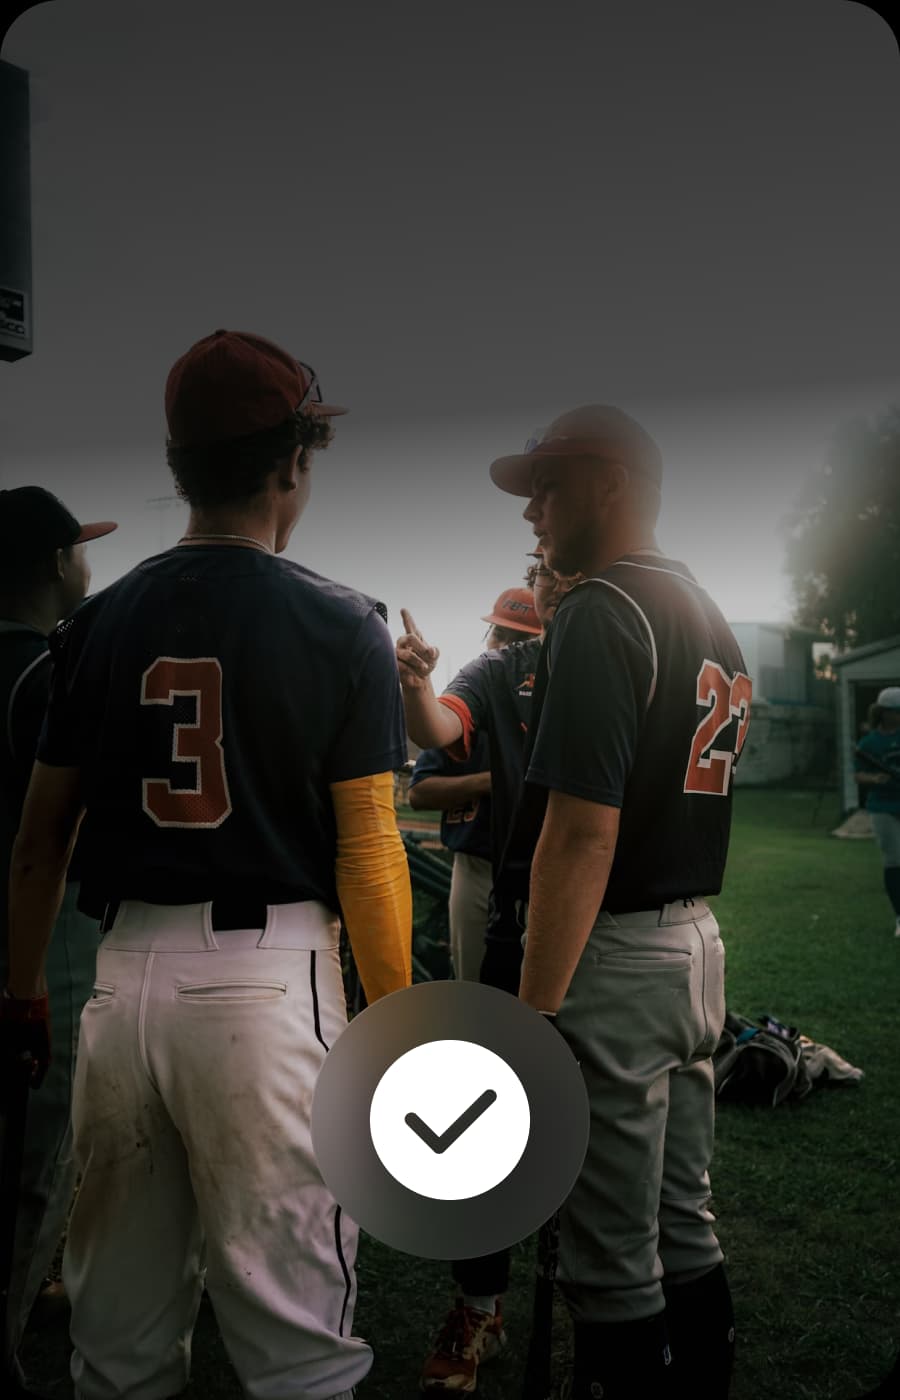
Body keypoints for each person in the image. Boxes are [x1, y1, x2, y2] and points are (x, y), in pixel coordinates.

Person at [2, 329, 413, 1400]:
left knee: (119, 1348)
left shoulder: (94, 622)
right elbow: (371, 850)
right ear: (292, 463)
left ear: (179, 466)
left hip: (122, 978)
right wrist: (403, 1016)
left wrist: (21, 988)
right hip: (268, 982)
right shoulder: (341, 620)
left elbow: (41, 837)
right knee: (300, 1350)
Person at [401, 404, 752, 1398]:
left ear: (610, 484)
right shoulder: (705, 605)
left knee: (608, 1260)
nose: (534, 514)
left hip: (614, 953)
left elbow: (581, 830)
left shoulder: (602, 606)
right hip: (695, 942)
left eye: (549, 487)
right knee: (686, 1216)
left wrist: (538, 1013)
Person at [397, 553, 580, 1394]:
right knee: (491, 1078)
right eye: (503, 626)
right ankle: (482, 1299)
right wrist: (418, 691)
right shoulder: (498, 671)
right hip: (493, 876)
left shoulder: (622, 638)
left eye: (518, 627)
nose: (508, 635)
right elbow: (431, 742)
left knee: (584, 1088)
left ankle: (616, 1291)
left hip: (600, 888)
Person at [0, 487, 116, 1398]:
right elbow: (70, 832)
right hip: (42, 936)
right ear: (49, 563)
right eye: (79, 550)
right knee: (33, 1161)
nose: (88, 564)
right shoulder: (45, 673)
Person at [407, 587, 540, 982]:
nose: (503, 645)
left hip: (543, 867)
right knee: (473, 985)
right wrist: (491, 781)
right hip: (476, 862)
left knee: (542, 995)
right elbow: (419, 791)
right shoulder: (480, 691)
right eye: (499, 633)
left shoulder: (557, 695)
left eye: (518, 638)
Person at [854, 687, 900, 936]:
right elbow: (858, 775)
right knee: (894, 860)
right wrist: (875, 778)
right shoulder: (869, 743)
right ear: (883, 712)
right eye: (895, 712)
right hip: (883, 806)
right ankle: (899, 917)